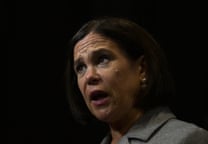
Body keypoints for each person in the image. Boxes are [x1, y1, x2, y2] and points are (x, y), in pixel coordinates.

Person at [64, 16, 208, 144]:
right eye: (81, 67)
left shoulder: (187, 139)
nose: (89, 76)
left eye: (102, 59)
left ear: (142, 69)